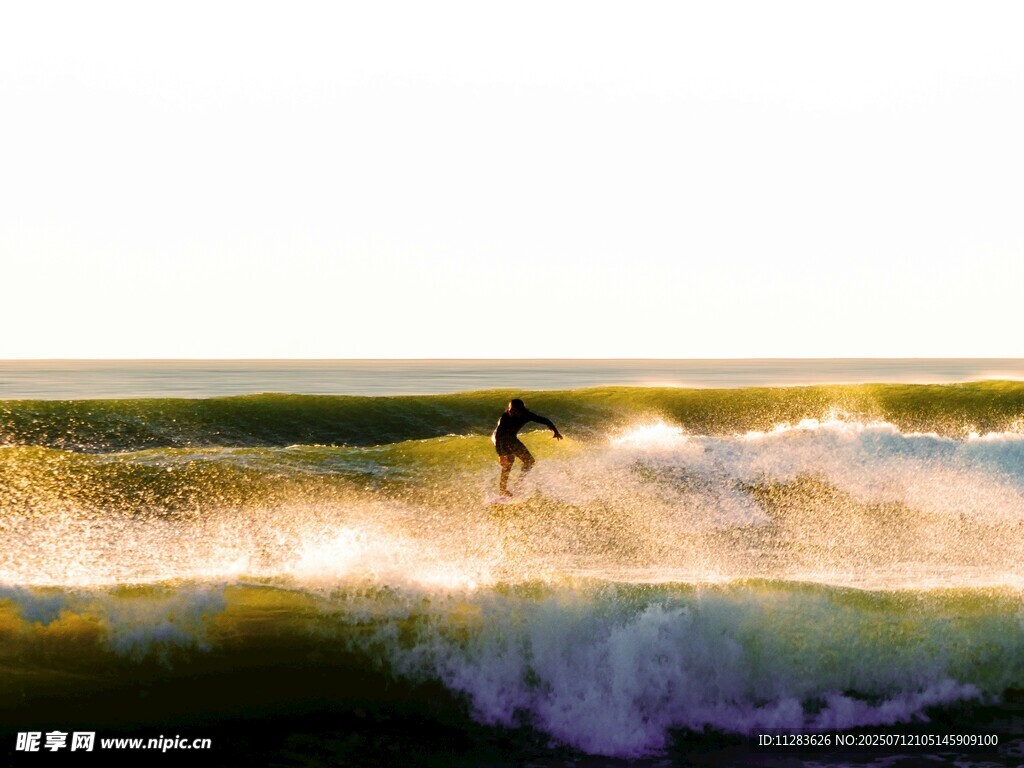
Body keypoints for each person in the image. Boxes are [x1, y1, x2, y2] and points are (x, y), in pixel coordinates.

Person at [492, 399, 562, 496]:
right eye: (510, 409)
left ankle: (518, 483)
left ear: (520, 410)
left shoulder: (526, 415)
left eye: (513, 410)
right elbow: (498, 436)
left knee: (529, 461)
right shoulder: (505, 417)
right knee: (509, 462)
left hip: (512, 438)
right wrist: (501, 454)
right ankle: (502, 490)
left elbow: (544, 420)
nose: (510, 411)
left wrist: (555, 431)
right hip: (500, 438)